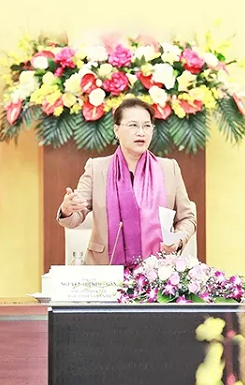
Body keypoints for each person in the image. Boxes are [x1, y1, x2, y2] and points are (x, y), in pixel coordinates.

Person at [57, 98, 197, 266]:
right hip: (104, 270)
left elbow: (187, 218)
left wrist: (178, 239)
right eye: (133, 125)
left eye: (147, 126)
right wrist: (67, 211)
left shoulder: (169, 169)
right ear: (116, 130)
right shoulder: (96, 169)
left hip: (157, 271)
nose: (141, 132)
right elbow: (75, 219)